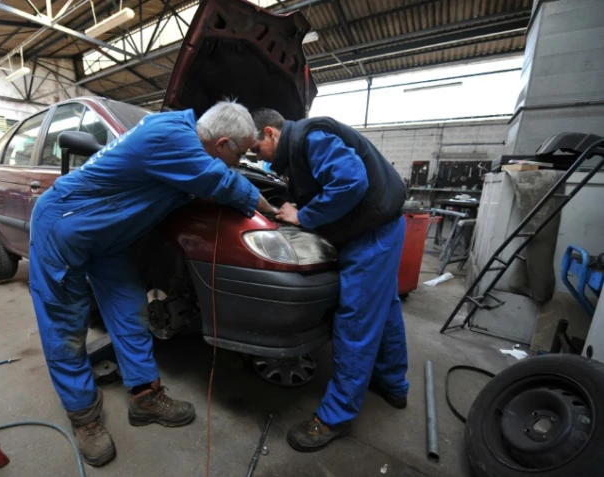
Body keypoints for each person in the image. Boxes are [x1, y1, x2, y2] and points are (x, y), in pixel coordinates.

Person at [30, 100, 276, 467]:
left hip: (109, 237)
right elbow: (224, 183)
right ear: (222, 143)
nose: (237, 162)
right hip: (66, 228)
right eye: (238, 154)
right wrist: (277, 213)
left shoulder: (184, 138)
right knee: (66, 327)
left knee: (132, 312)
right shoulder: (170, 137)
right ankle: (84, 417)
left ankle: (145, 396)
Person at [251, 108, 409, 452]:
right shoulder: (301, 146)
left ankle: (335, 416)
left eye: (255, 148)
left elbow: (351, 182)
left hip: (371, 234)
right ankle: (393, 384)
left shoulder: (311, 137)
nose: (255, 156)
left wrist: (304, 215)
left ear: (270, 133)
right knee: (386, 308)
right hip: (381, 226)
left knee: (357, 320)